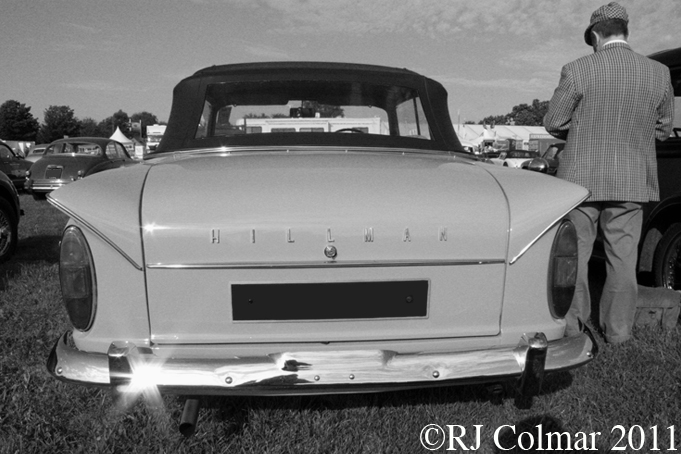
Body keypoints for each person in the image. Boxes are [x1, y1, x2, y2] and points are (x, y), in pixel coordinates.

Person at [544, 2, 674, 344]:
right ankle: (618, 333)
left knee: (575, 257)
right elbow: (663, 131)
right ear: (625, 33)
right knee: (622, 259)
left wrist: (584, 131)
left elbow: (554, 122)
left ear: (597, 35)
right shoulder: (658, 73)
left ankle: (572, 328)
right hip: (632, 180)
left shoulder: (577, 69)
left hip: (580, 180)